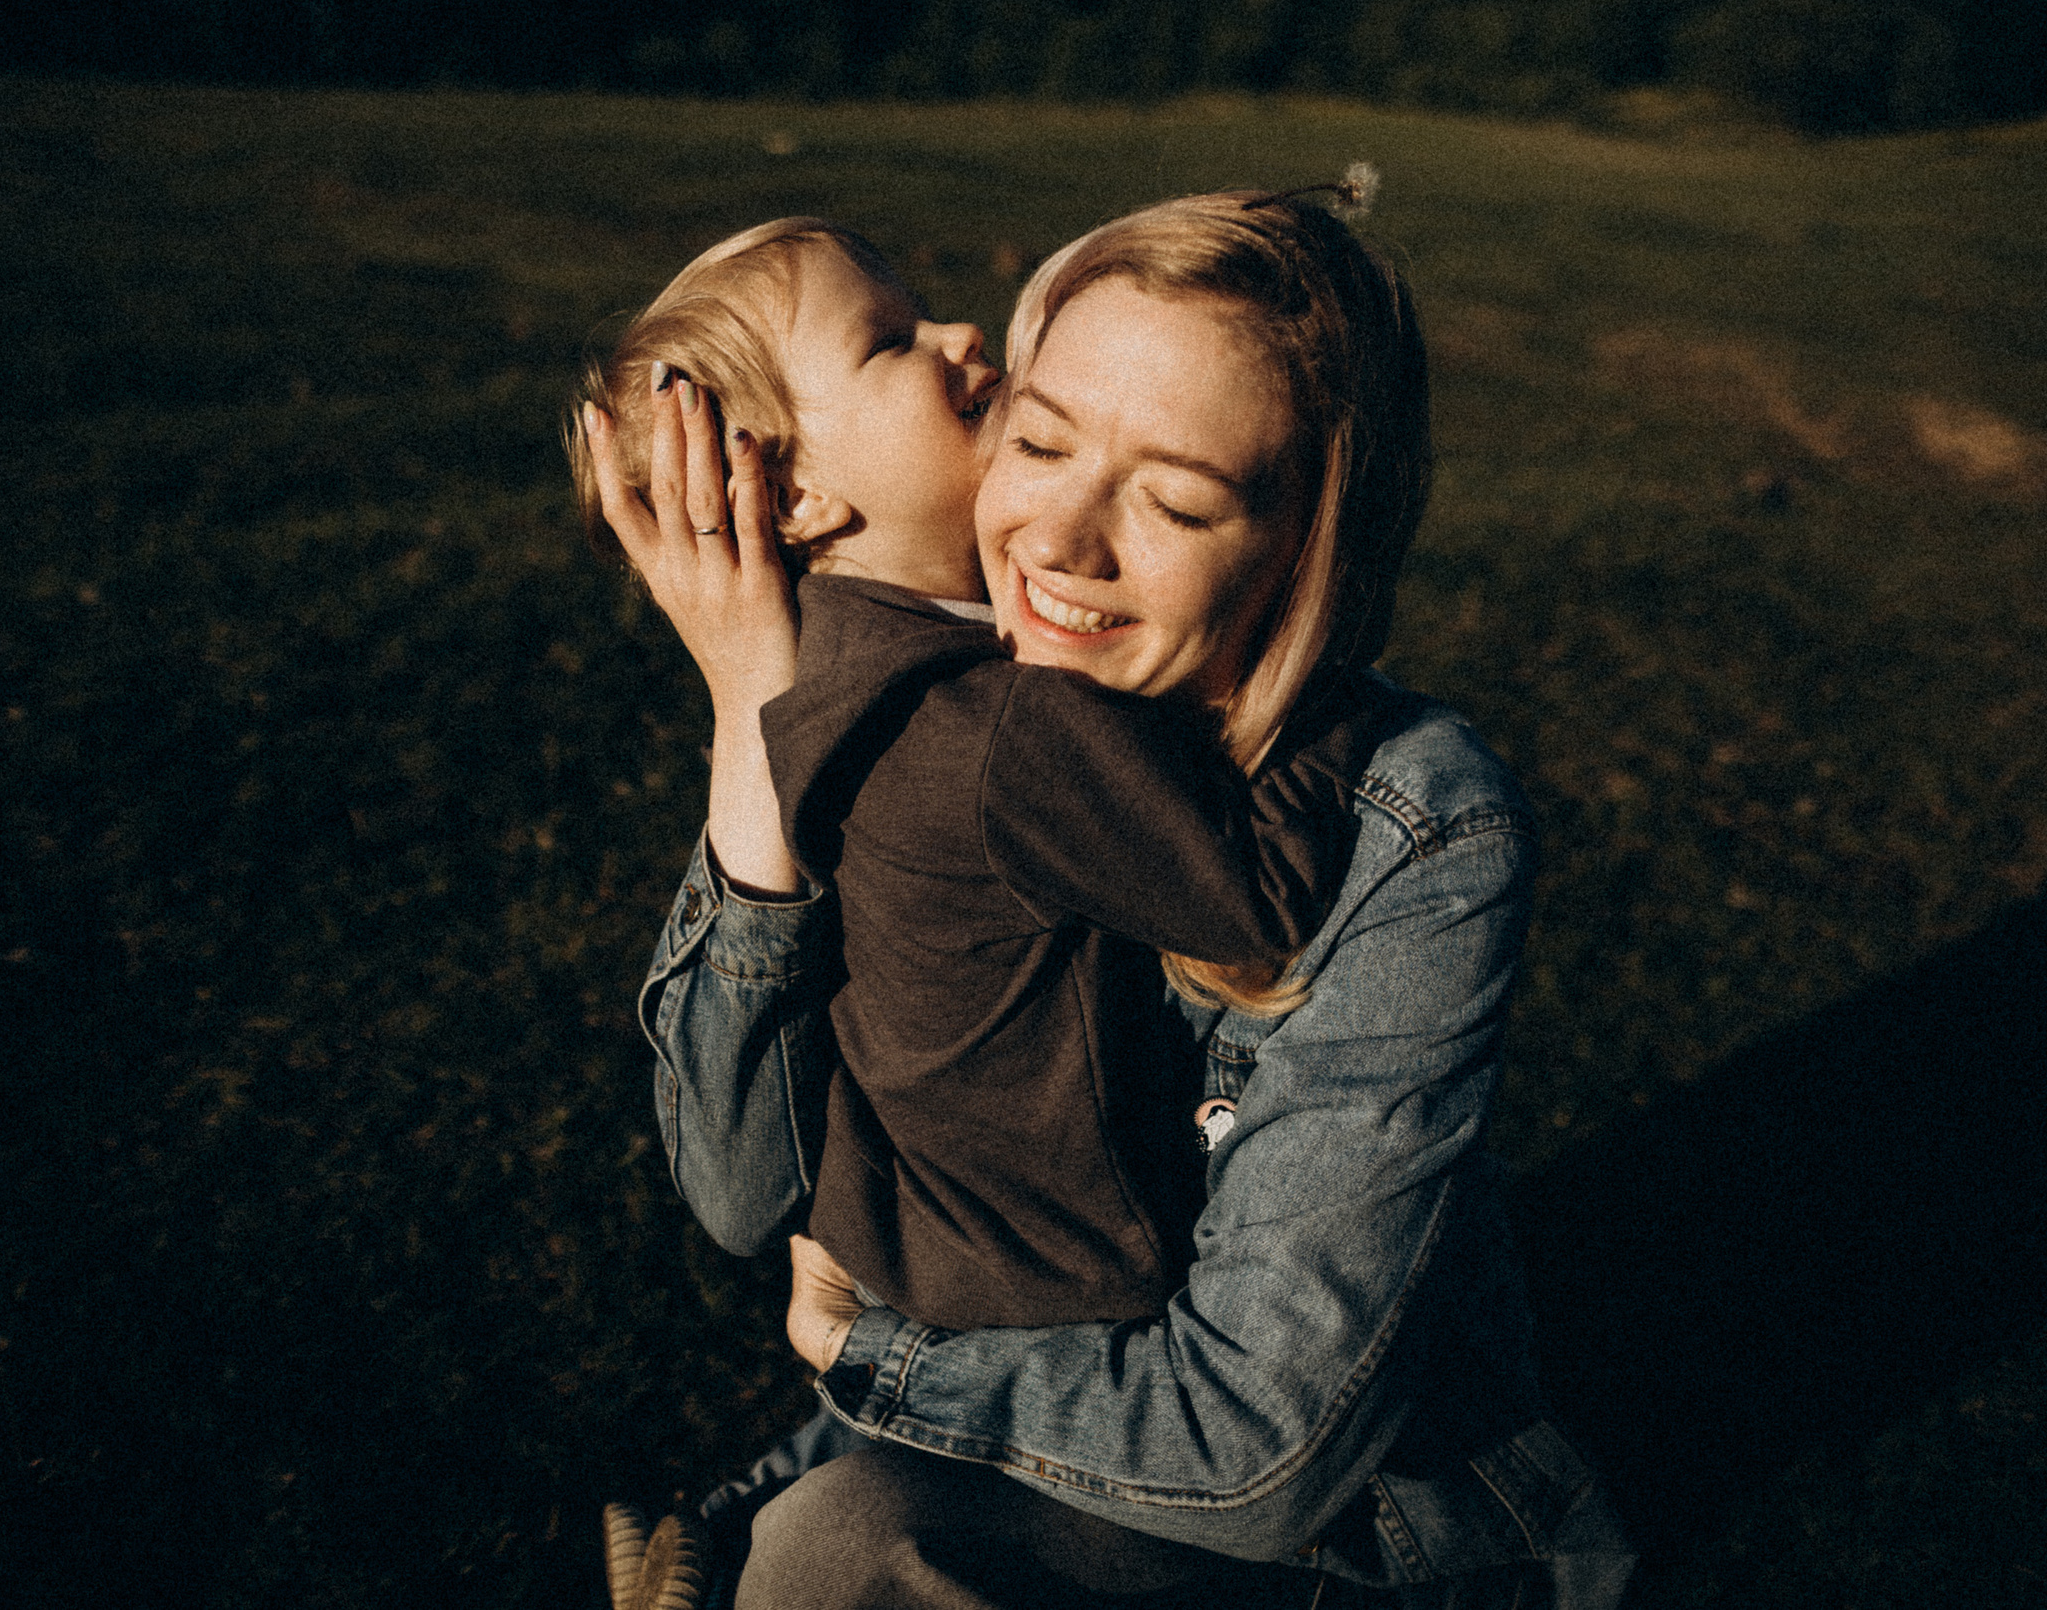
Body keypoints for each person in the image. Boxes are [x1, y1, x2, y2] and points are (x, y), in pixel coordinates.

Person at [599, 189, 1635, 1608]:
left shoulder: (1413, 813)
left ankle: (745, 1521)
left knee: (832, 1555)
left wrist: (875, 1353)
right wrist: (743, 698)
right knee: (823, 1542)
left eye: (1178, 499)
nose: (1061, 543)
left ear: (1307, 543)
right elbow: (737, 1184)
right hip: (1039, 1376)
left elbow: (1261, 1458)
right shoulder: (928, 700)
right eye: (1036, 440)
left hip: (1338, 1524)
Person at [575, 213, 1372, 1346]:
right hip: (1055, 1282)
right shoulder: (992, 730)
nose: (956, 332)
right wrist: (1316, 688)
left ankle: (736, 1508)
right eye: (888, 340)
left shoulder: (823, 678)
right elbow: (1256, 894)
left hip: (901, 1234)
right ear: (793, 495)